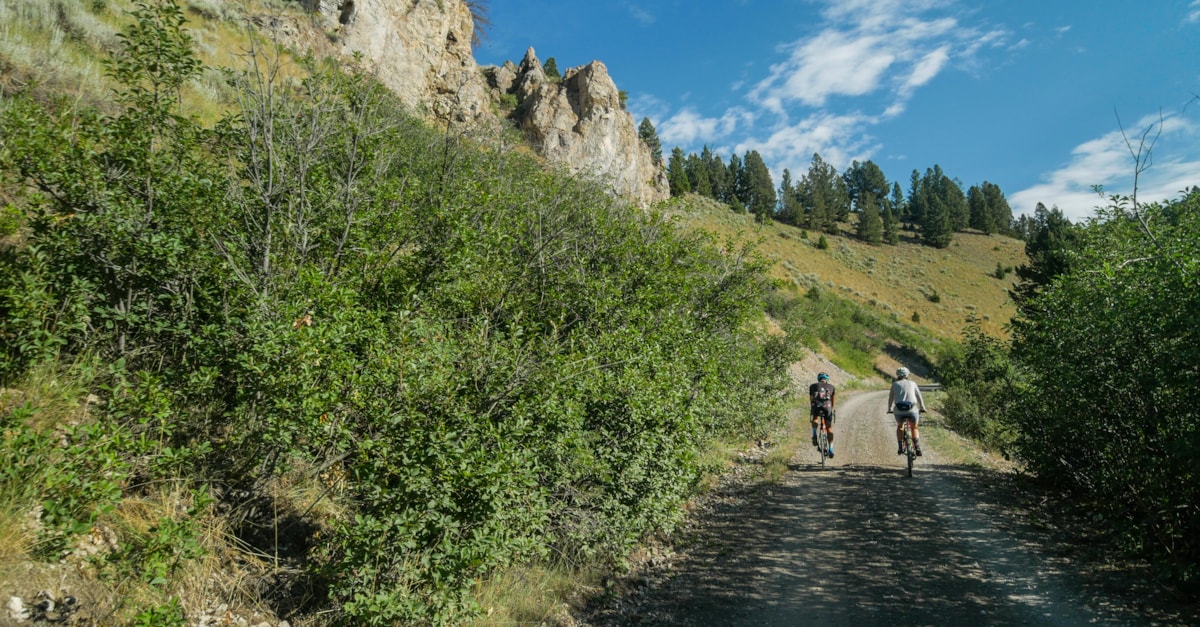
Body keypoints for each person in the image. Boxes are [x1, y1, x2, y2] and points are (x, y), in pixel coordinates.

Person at [888, 366, 927, 456]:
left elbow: (890, 398)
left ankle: (900, 447)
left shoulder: (894, 384)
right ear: (907, 374)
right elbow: (919, 396)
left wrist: (889, 408)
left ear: (897, 375)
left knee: (900, 426)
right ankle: (916, 446)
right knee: (914, 428)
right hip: (911, 410)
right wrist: (922, 407)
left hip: (899, 410)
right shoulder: (912, 383)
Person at [809, 372, 836, 458]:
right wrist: (830, 410)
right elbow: (832, 401)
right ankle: (831, 449)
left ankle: (814, 434)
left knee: (816, 417)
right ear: (827, 380)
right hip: (827, 407)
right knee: (829, 428)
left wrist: (812, 409)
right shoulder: (831, 387)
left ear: (818, 379)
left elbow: (811, 399)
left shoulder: (812, 386)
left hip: (816, 406)